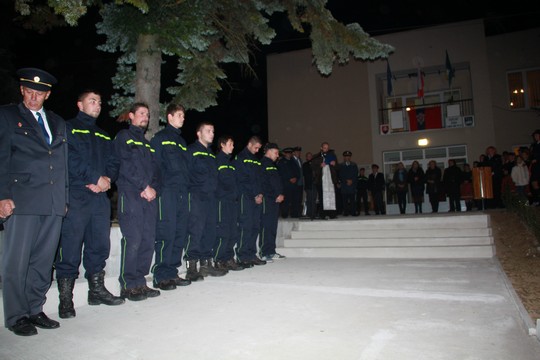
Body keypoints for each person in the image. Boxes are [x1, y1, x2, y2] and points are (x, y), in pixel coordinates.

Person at [0, 68, 68, 336]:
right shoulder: (7, 116)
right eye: (29, 92)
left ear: (47, 95)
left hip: (52, 201)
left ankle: (34, 309)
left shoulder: (57, 122)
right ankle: (16, 316)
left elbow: (62, 163)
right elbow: (1, 157)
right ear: (21, 91)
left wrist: (63, 198)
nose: (33, 98)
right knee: (17, 260)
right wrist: (2, 195)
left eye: (39, 94)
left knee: (42, 260)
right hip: (22, 200)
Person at [55, 90, 124, 319]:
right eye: (92, 101)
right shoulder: (68, 127)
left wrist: (106, 181)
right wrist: (94, 178)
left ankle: (96, 291)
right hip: (77, 194)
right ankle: (66, 299)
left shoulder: (104, 135)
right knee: (71, 245)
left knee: (99, 245)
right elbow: (69, 158)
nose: (97, 105)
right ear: (79, 104)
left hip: (99, 198)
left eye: (99, 101)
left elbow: (114, 162)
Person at [113, 102, 161, 301]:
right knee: (133, 239)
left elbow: (156, 172)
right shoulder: (123, 137)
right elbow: (124, 165)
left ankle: (140, 282)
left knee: (148, 240)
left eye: (148, 115)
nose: (145, 117)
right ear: (131, 115)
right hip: (131, 195)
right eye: (141, 113)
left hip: (148, 197)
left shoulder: (148, 144)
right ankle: (128, 284)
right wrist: (143, 186)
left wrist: (153, 188)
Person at [149, 104, 192, 290]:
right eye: (180, 115)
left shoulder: (182, 142)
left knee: (179, 232)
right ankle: (161, 275)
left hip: (182, 193)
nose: (183, 118)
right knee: (167, 232)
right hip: (167, 192)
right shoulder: (160, 139)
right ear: (170, 117)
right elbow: (154, 166)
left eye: (183, 115)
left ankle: (172, 272)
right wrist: (158, 189)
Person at [184, 122, 227, 280]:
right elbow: (186, 175)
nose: (212, 134)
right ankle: (191, 267)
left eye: (213, 131)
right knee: (195, 230)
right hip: (196, 196)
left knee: (210, 230)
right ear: (199, 133)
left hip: (211, 198)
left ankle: (206, 264)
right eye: (208, 131)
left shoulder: (210, 154)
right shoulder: (191, 151)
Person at [233, 136, 267, 267]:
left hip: (256, 198)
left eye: (259, 148)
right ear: (249, 144)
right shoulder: (240, 158)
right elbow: (242, 179)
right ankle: (242, 255)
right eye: (256, 147)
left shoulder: (256, 160)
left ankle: (251, 254)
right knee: (245, 226)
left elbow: (260, 179)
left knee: (255, 226)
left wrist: (260, 194)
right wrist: (254, 194)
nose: (257, 150)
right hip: (245, 197)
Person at [214, 135, 244, 271]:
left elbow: (235, 183)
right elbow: (218, 183)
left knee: (233, 231)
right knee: (223, 231)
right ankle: (219, 259)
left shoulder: (231, 164)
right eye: (231, 144)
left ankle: (228, 257)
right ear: (222, 145)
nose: (233, 146)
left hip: (233, 202)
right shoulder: (217, 161)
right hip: (222, 202)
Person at [259, 143, 286, 262]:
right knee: (266, 226)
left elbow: (276, 182)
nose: (277, 155)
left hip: (275, 200)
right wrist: (275, 195)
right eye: (275, 152)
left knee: (272, 226)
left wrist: (280, 194)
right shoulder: (263, 163)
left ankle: (271, 251)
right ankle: (264, 252)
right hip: (268, 200)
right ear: (268, 151)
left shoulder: (273, 165)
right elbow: (264, 184)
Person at [311, 142, 338, 219]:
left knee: (331, 196)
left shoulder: (332, 156)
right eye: (325, 147)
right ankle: (323, 214)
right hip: (320, 180)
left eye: (327, 148)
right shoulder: (316, 157)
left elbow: (338, 168)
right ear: (321, 148)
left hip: (331, 180)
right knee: (322, 197)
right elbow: (312, 168)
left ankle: (332, 214)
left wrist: (334, 164)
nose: (326, 149)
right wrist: (320, 166)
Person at [277, 147, 299, 218]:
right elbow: (281, 173)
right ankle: (284, 214)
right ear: (285, 154)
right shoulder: (281, 162)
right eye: (287, 153)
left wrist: (296, 178)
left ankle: (294, 214)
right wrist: (289, 179)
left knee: (294, 199)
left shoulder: (293, 162)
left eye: (290, 153)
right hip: (286, 184)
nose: (289, 154)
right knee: (286, 200)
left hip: (294, 184)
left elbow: (297, 171)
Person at [338, 151, 358, 216]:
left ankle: (353, 212)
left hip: (352, 185)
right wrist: (346, 181)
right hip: (344, 185)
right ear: (344, 157)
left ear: (350, 157)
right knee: (345, 200)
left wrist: (352, 181)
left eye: (349, 156)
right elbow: (340, 175)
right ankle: (346, 212)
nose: (347, 158)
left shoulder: (354, 165)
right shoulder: (341, 165)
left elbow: (355, 174)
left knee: (352, 200)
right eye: (346, 156)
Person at [302, 152, 316, 219]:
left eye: (311, 156)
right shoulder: (305, 165)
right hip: (308, 185)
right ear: (306, 158)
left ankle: (314, 213)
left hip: (315, 185)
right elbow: (306, 175)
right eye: (308, 156)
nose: (310, 157)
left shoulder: (315, 164)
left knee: (314, 199)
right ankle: (309, 213)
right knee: (309, 199)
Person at [291, 146, 304, 217]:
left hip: (300, 182)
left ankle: (298, 213)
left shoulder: (300, 160)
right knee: (295, 199)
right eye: (297, 151)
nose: (298, 153)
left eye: (299, 151)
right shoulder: (291, 160)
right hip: (295, 183)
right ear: (293, 153)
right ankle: (294, 213)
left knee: (299, 199)